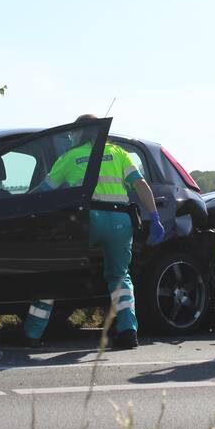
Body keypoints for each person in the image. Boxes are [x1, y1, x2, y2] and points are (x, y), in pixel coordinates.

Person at [23, 115, 166, 350]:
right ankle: (128, 331)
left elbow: (45, 192)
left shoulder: (69, 158)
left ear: (81, 133)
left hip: (86, 221)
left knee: (52, 271)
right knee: (120, 276)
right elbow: (141, 185)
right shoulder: (119, 153)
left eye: (73, 134)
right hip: (120, 221)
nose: (71, 137)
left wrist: (20, 205)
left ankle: (32, 333)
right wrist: (155, 217)